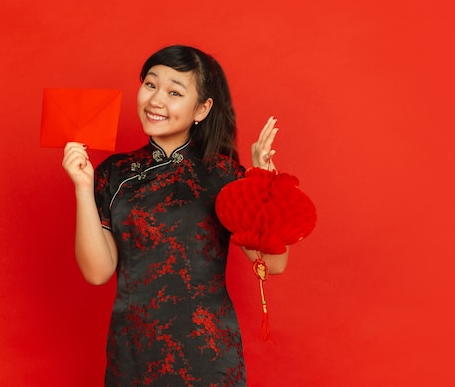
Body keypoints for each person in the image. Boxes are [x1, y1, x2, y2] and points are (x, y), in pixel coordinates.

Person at [62, 45, 289, 387]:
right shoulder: (113, 174)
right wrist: (83, 185)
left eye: (174, 92)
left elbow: (272, 263)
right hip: (133, 355)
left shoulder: (223, 174)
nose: (156, 100)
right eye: (151, 85)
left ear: (202, 108)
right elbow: (97, 272)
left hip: (208, 355)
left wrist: (263, 185)